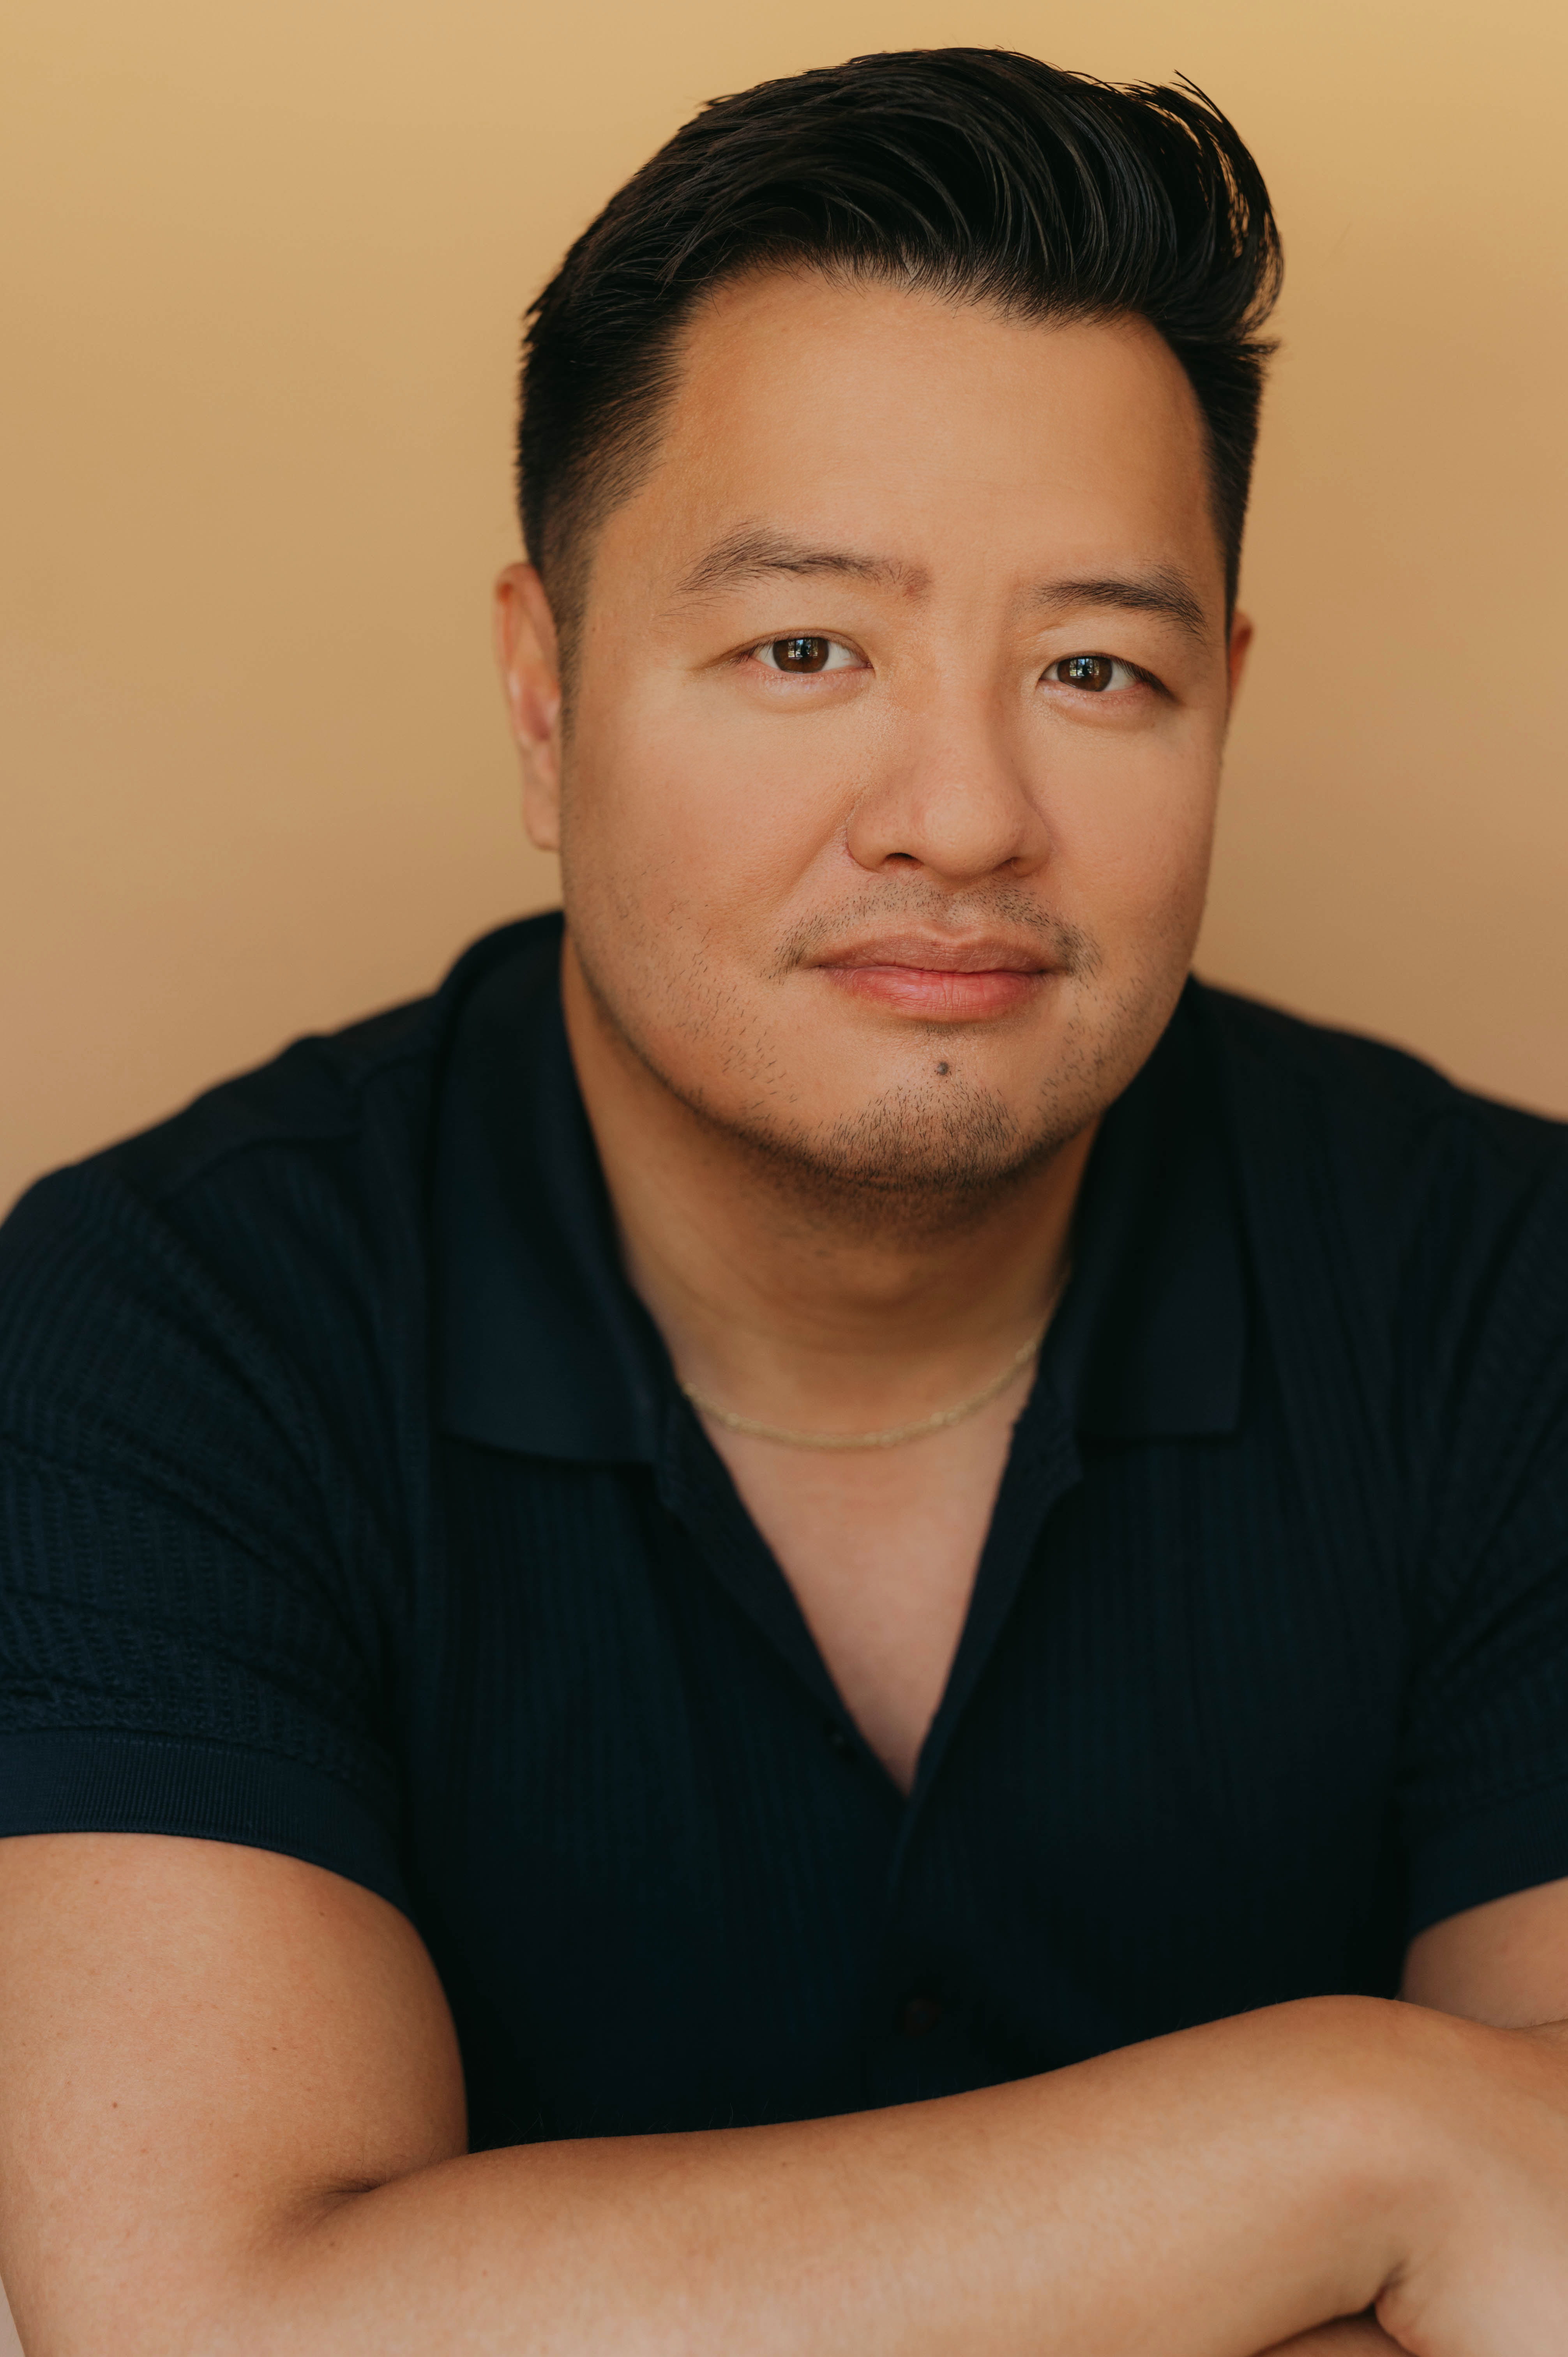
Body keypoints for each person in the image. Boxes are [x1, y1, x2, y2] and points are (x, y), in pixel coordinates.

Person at [1, 44, 1566, 2355]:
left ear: (1221, 702)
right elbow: (196, 2319)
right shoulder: (167, 1323)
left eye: (1095, 667)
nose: (960, 812)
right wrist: (1374, 2137)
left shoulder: (1501, 1301)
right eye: (803, 649)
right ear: (545, 700)